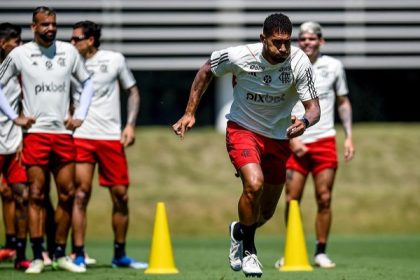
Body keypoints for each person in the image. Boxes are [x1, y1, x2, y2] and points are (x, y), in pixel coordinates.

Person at [172, 13, 320, 277]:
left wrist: (305, 123)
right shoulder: (240, 55)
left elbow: (313, 108)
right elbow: (206, 70)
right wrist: (190, 112)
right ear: (263, 39)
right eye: (276, 42)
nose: (283, 48)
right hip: (243, 129)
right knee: (254, 184)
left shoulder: (299, 62)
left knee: (265, 213)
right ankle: (250, 251)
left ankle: (239, 230)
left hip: (278, 137)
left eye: (287, 42)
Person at [0, 6, 94, 274]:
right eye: (44, 25)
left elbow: (87, 83)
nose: (50, 28)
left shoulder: (69, 52)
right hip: (35, 134)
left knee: (67, 194)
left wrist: (81, 115)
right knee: (36, 195)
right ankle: (39, 255)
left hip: (63, 135)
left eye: (53, 24)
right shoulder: (19, 54)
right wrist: (13, 116)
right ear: (33, 27)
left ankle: (60, 253)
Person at [274, 21, 355, 269]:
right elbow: (278, 102)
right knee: (292, 199)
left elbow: (343, 102)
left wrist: (349, 136)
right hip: (294, 140)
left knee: (324, 197)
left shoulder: (334, 66)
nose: (307, 42)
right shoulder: (287, 64)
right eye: (303, 39)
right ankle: (292, 249)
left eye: (312, 38)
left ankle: (321, 251)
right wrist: (294, 138)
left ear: (321, 41)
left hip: (324, 139)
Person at [69, 20, 146, 269]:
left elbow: (133, 91)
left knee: (121, 196)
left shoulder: (115, 59)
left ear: (90, 40)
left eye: (76, 38)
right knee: (80, 194)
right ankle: (78, 253)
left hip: (111, 137)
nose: (72, 43)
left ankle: (119, 254)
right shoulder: (67, 61)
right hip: (81, 136)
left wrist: (130, 125)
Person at [0, 22, 31, 270]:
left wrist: (22, 136)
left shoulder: (20, 70)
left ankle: (19, 253)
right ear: (3, 44)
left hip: (13, 145)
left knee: (23, 195)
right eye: (16, 42)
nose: (20, 46)